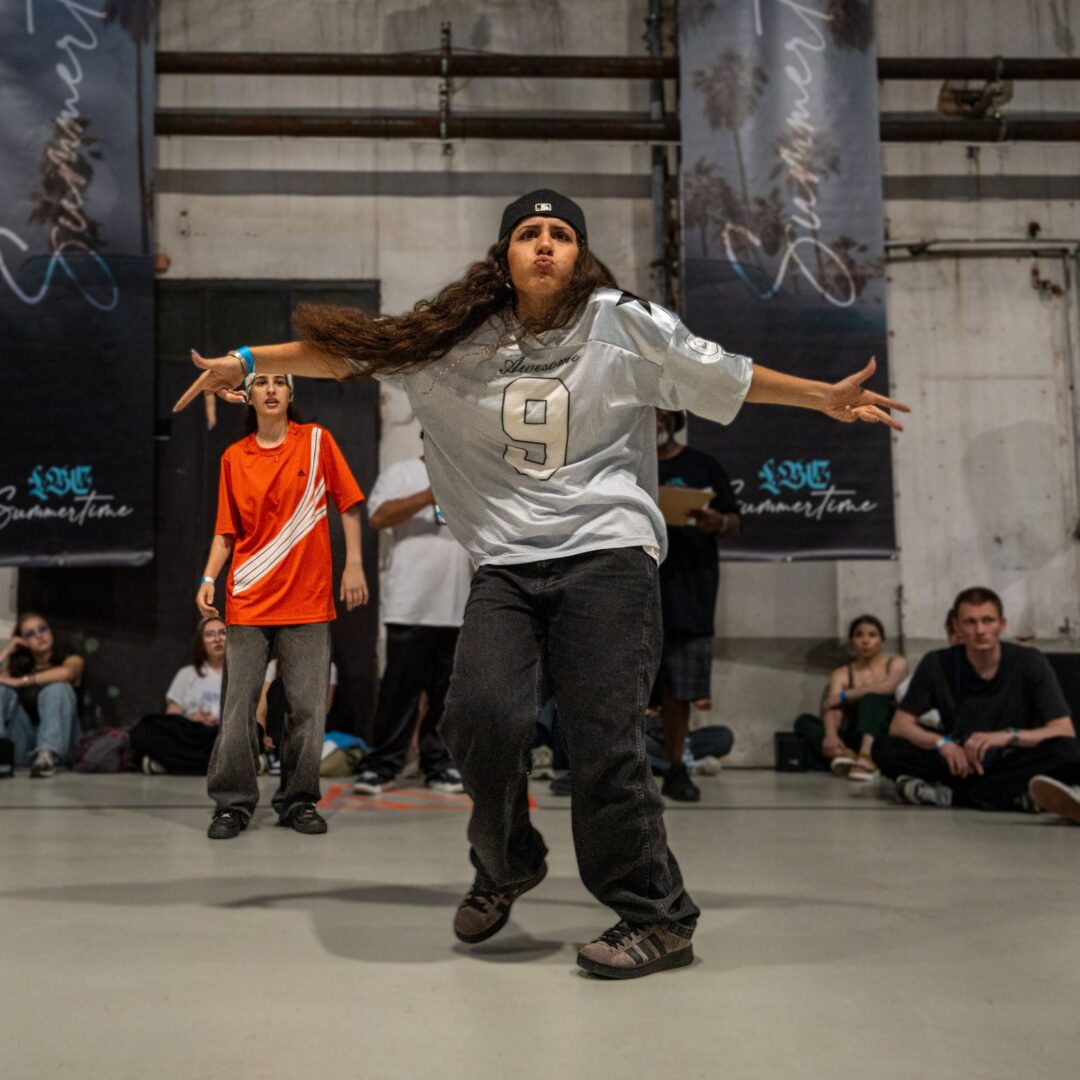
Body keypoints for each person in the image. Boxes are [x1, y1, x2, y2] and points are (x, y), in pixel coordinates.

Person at [175, 188, 907, 978]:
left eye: (561, 233)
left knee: (602, 740)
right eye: (530, 233)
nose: (546, 244)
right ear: (506, 255)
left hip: (609, 553)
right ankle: (507, 863)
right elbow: (351, 354)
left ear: (580, 254)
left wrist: (821, 396)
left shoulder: (621, 322)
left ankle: (657, 916)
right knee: (479, 718)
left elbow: (721, 373)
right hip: (508, 564)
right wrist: (246, 362)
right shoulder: (454, 339)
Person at [197, 371, 369, 840]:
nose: (271, 389)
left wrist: (354, 564)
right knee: (238, 708)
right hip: (249, 599)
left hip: (308, 599)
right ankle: (232, 804)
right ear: (248, 396)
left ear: (291, 394)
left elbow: (349, 503)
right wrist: (208, 578)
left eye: (279, 382)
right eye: (262, 383)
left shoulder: (316, 442)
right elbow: (225, 531)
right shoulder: (235, 457)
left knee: (307, 709)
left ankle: (298, 800)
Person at [871, 586, 1080, 812]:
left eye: (987, 621)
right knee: (884, 748)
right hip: (959, 762)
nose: (980, 630)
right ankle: (1007, 796)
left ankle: (955, 796)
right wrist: (942, 744)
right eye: (970, 622)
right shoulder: (937, 663)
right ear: (957, 627)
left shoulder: (1030, 661)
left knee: (1067, 750)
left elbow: (1063, 730)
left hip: (1013, 758)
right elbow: (900, 725)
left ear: (1001, 624)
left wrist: (1006, 737)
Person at [352, 452, 471, 795]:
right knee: (399, 692)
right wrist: (428, 495)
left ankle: (439, 765)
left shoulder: (467, 473)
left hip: (457, 603)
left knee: (446, 696)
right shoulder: (402, 473)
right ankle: (382, 765)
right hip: (410, 604)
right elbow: (378, 516)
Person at [653, 407, 741, 801]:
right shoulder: (625, 463)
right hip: (634, 590)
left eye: (663, 415)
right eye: (650, 413)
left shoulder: (703, 466)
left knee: (680, 692)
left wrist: (716, 521)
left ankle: (676, 768)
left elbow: (735, 520)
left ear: (675, 420)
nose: (656, 422)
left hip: (689, 594)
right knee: (623, 690)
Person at [794, 615, 908, 782]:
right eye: (859, 635)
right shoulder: (842, 673)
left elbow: (887, 687)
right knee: (804, 722)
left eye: (872, 635)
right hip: (855, 735)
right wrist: (831, 735)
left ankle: (866, 756)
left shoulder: (896, 663)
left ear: (882, 641)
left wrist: (845, 695)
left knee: (872, 699)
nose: (865, 641)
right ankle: (845, 754)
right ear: (851, 641)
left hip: (884, 736)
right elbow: (832, 706)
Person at [129, 617, 226, 775]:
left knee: (237, 737)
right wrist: (194, 719)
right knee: (145, 728)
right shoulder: (187, 674)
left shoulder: (239, 676)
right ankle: (232, 765)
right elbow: (173, 717)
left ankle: (166, 765)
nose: (217, 639)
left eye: (223, 633)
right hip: (193, 735)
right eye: (210, 634)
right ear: (201, 642)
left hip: (222, 734)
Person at [0, 612, 83, 777]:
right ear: (23, 641)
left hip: (61, 745)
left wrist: (21, 682)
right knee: (2, 689)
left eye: (43, 629)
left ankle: (47, 756)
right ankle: (1, 752)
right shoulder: (18, 668)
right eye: (30, 634)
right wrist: (7, 650)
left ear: (51, 632)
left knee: (58, 687)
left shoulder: (71, 659)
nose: (39, 636)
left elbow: (67, 673)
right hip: (23, 741)